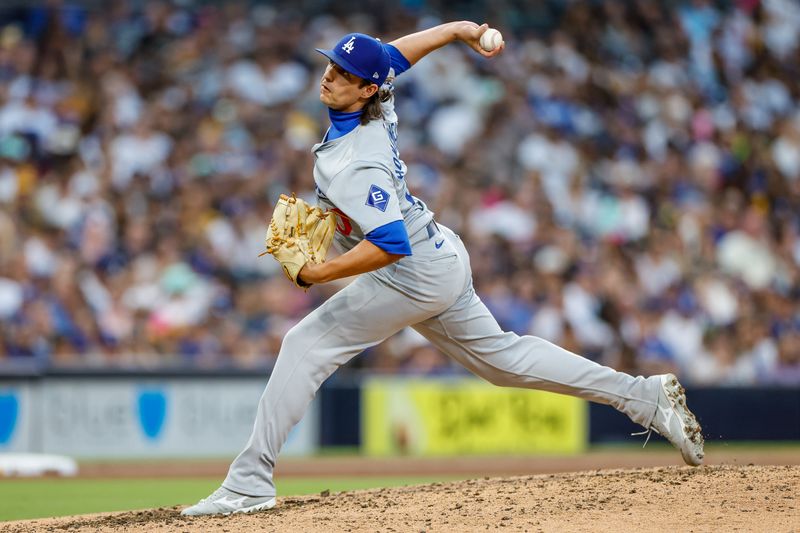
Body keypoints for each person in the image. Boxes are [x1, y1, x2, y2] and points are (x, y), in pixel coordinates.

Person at [181, 21, 704, 517]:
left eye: (343, 73)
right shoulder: (376, 100)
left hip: (414, 269)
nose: (330, 76)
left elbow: (390, 243)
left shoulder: (355, 161)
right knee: (502, 361)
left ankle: (249, 483)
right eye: (331, 65)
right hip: (441, 252)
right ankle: (645, 397)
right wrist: (459, 30)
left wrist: (319, 274)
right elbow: (396, 56)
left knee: (305, 344)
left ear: (365, 90)